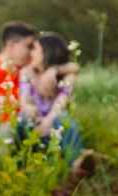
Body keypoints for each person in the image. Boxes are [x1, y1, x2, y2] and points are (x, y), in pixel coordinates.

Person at [18, 32, 83, 163]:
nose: (31, 53)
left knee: (68, 122)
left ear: (47, 52)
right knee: (21, 120)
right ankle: (20, 161)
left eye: (36, 49)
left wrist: (48, 121)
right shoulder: (26, 72)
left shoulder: (67, 76)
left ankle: (75, 165)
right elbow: (24, 101)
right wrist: (34, 114)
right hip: (34, 121)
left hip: (55, 120)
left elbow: (61, 103)